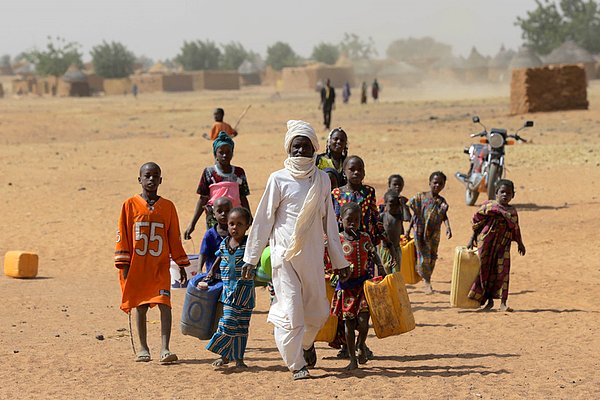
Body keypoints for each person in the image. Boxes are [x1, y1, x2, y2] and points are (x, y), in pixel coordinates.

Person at [241, 120, 350, 380]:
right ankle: (296, 364)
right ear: (288, 150)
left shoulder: (322, 180)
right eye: (295, 148)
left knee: (318, 312)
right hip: (284, 257)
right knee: (291, 311)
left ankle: (304, 344)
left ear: (314, 149)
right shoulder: (277, 179)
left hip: (312, 257)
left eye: (305, 147)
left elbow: (330, 224)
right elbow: (263, 219)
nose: (300, 152)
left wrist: (339, 260)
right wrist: (251, 258)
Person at [114, 162, 190, 364]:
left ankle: (165, 349)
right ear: (139, 179)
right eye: (147, 176)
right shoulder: (129, 205)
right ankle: (143, 348)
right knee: (141, 306)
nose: (151, 180)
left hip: (160, 266)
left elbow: (174, 237)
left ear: (161, 180)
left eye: (155, 176)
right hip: (139, 266)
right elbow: (123, 236)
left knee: (165, 304)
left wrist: (180, 264)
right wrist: (125, 266)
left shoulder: (168, 207)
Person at [331, 202, 383, 370]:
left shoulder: (365, 237)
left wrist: (381, 268)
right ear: (340, 220)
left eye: (356, 219)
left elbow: (374, 254)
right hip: (346, 289)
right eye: (349, 220)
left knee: (363, 321)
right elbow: (328, 260)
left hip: (362, 285)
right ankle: (352, 359)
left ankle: (361, 344)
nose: (353, 223)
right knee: (349, 324)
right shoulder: (337, 240)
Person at [205, 207, 255, 368]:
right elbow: (219, 258)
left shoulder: (250, 244)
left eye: (240, 224)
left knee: (241, 327)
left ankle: (238, 358)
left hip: (245, 292)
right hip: (228, 292)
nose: (235, 227)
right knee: (227, 322)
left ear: (247, 226)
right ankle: (223, 353)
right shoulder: (225, 243)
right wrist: (211, 272)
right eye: (232, 224)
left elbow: (257, 260)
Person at [467, 179, 526, 312]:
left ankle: (503, 303)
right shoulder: (488, 206)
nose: (505, 195)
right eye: (502, 192)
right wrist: (471, 239)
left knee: (503, 272)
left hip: (503, 245)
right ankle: (488, 301)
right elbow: (477, 224)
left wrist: (520, 243)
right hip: (486, 242)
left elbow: (516, 228)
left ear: (513, 195)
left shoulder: (512, 212)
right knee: (484, 270)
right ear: (496, 193)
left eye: (509, 193)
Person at [184, 131, 251, 237]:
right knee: (215, 242)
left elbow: (243, 197)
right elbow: (203, 198)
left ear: (232, 153)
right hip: (214, 218)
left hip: (235, 219)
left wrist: (248, 217)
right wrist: (192, 224)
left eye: (228, 152)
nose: (225, 155)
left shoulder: (239, 173)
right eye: (221, 152)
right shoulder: (209, 173)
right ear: (215, 154)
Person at [407, 171, 452, 294]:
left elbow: (444, 216)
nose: (437, 185)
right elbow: (414, 213)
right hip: (420, 232)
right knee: (423, 257)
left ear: (443, 186)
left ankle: (427, 277)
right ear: (429, 183)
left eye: (440, 183)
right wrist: (408, 229)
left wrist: (448, 227)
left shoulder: (442, 202)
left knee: (432, 257)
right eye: (435, 182)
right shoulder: (420, 197)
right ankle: (427, 282)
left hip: (434, 233)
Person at [332, 155, 384, 247]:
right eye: (352, 169)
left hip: (366, 239)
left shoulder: (369, 191)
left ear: (364, 173)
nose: (356, 172)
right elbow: (334, 217)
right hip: (343, 240)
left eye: (360, 169)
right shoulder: (337, 193)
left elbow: (375, 216)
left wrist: (383, 236)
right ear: (344, 173)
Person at [198, 196, 232, 277]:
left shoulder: (235, 233)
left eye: (227, 211)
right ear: (213, 214)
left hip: (232, 276)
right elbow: (203, 253)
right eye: (220, 211)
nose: (223, 214)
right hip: (214, 275)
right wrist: (199, 270)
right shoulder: (210, 235)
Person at [378, 190, 405, 275]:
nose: (394, 207)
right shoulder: (382, 216)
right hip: (385, 250)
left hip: (396, 249)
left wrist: (403, 205)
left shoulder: (398, 216)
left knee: (395, 273)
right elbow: (378, 230)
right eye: (391, 204)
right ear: (385, 203)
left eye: (396, 205)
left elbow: (407, 217)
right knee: (385, 273)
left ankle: (394, 288)